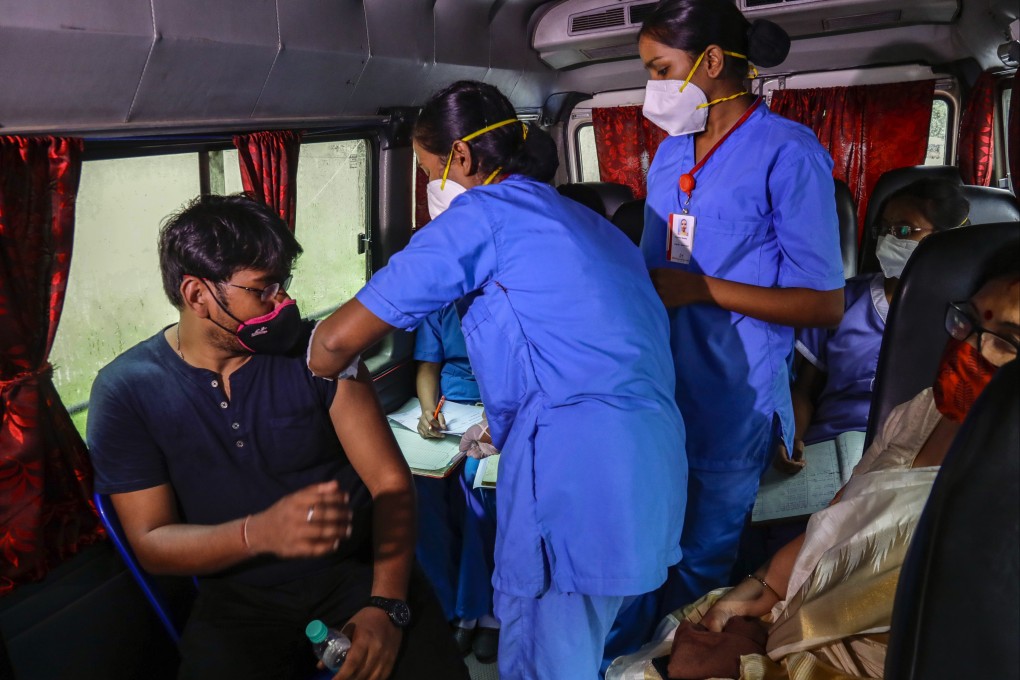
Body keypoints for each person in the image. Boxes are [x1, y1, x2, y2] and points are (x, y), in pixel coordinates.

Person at [307, 80, 687, 679]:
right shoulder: (584, 223)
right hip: (647, 468)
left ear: (460, 158)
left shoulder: (481, 216)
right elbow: (587, 354)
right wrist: (502, 422)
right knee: (584, 654)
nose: (434, 188)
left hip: (574, 477)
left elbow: (333, 343)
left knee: (542, 663)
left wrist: (303, 365)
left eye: (429, 170)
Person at [86, 194, 470, 680]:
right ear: (197, 294)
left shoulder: (317, 354)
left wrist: (387, 606)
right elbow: (152, 542)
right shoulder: (126, 391)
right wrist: (257, 533)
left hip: (359, 572)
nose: (282, 302)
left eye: (282, 285)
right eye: (261, 289)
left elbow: (390, 483)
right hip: (240, 599)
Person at [607, 248, 1020, 680]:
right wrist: (761, 587)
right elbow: (840, 517)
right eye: (968, 321)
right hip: (803, 607)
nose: (971, 349)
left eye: (1005, 340)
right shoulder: (924, 412)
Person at [638, 0, 846, 613]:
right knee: (652, 536)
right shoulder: (671, 152)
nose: (651, 87)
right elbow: (658, 261)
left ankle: (681, 651)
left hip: (734, 393)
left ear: (709, 61)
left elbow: (825, 303)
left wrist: (701, 290)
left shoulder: (789, 152)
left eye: (658, 69)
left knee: (703, 553)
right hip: (659, 383)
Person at [779, 179, 970, 472]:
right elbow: (804, 392)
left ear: (947, 240)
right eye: (884, 229)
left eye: (904, 230)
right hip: (832, 447)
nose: (889, 239)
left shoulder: (965, 319)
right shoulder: (842, 301)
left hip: (916, 459)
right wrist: (791, 436)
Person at [413, 296, 500, 662]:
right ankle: (447, 605)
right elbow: (428, 368)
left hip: (496, 411)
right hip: (450, 412)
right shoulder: (439, 302)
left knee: (477, 486)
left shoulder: (509, 297)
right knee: (419, 486)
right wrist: (426, 412)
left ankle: (483, 613)